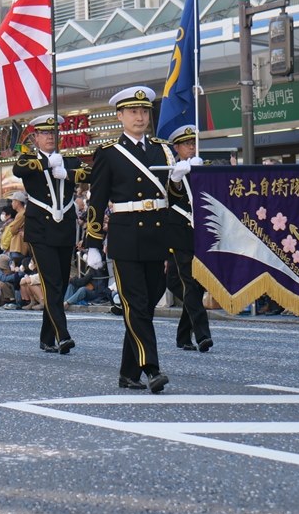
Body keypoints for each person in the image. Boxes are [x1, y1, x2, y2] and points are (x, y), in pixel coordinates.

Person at [83, 86, 174, 393]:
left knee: (144, 307)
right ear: (120, 116)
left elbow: (172, 198)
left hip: (157, 236)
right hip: (126, 238)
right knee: (135, 304)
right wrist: (93, 243)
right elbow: (97, 200)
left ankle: (127, 373)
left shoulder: (163, 150)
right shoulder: (109, 153)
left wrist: (185, 176)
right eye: (133, 112)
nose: (140, 117)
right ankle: (151, 367)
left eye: (145, 111)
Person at [12, 113, 88, 353]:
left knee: (60, 282)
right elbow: (18, 168)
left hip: (64, 228)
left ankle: (46, 337)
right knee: (52, 282)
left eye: (53, 133)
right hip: (40, 230)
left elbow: (90, 174)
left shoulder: (69, 160)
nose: (50, 137)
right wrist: (47, 163)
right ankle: (62, 334)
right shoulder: (30, 159)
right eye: (45, 133)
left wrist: (66, 172)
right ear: (35, 137)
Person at [164, 124, 214, 352]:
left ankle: (183, 336)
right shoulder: (169, 169)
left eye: (194, 143)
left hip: (202, 234)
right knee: (185, 283)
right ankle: (203, 334)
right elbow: (165, 195)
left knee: (196, 284)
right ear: (176, 147)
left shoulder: (203, 167)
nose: (192, 147)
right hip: (179, 233)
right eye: (186, 144)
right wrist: (175, 177)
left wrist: (204, 173)